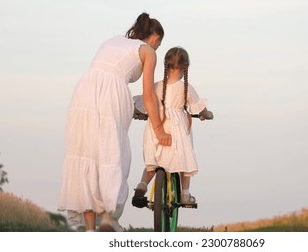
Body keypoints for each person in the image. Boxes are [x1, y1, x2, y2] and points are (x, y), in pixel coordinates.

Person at [58, 13, 172, 232]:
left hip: (84, 91)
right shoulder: (147, 52)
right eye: (159, 43)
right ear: (155, 38)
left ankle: (90, 229)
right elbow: (148, 96)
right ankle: (110, 217)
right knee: (113, 154)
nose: (157, 48)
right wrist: (159, 130)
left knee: (87, 155)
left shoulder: (111, 41)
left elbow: (106, 74)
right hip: (113, 93)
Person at [132, 47, 213, 208]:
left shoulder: (156, 86)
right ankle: (185, 194)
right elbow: (198, 108)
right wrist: (207, 114)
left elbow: (143, 104)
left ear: (165, 65)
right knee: (184, 160)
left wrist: (138, 113)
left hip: (157, 128)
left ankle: (142, 186)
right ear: (185, 67)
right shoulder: (186, 88)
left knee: (152, 163)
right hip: (177, 131)